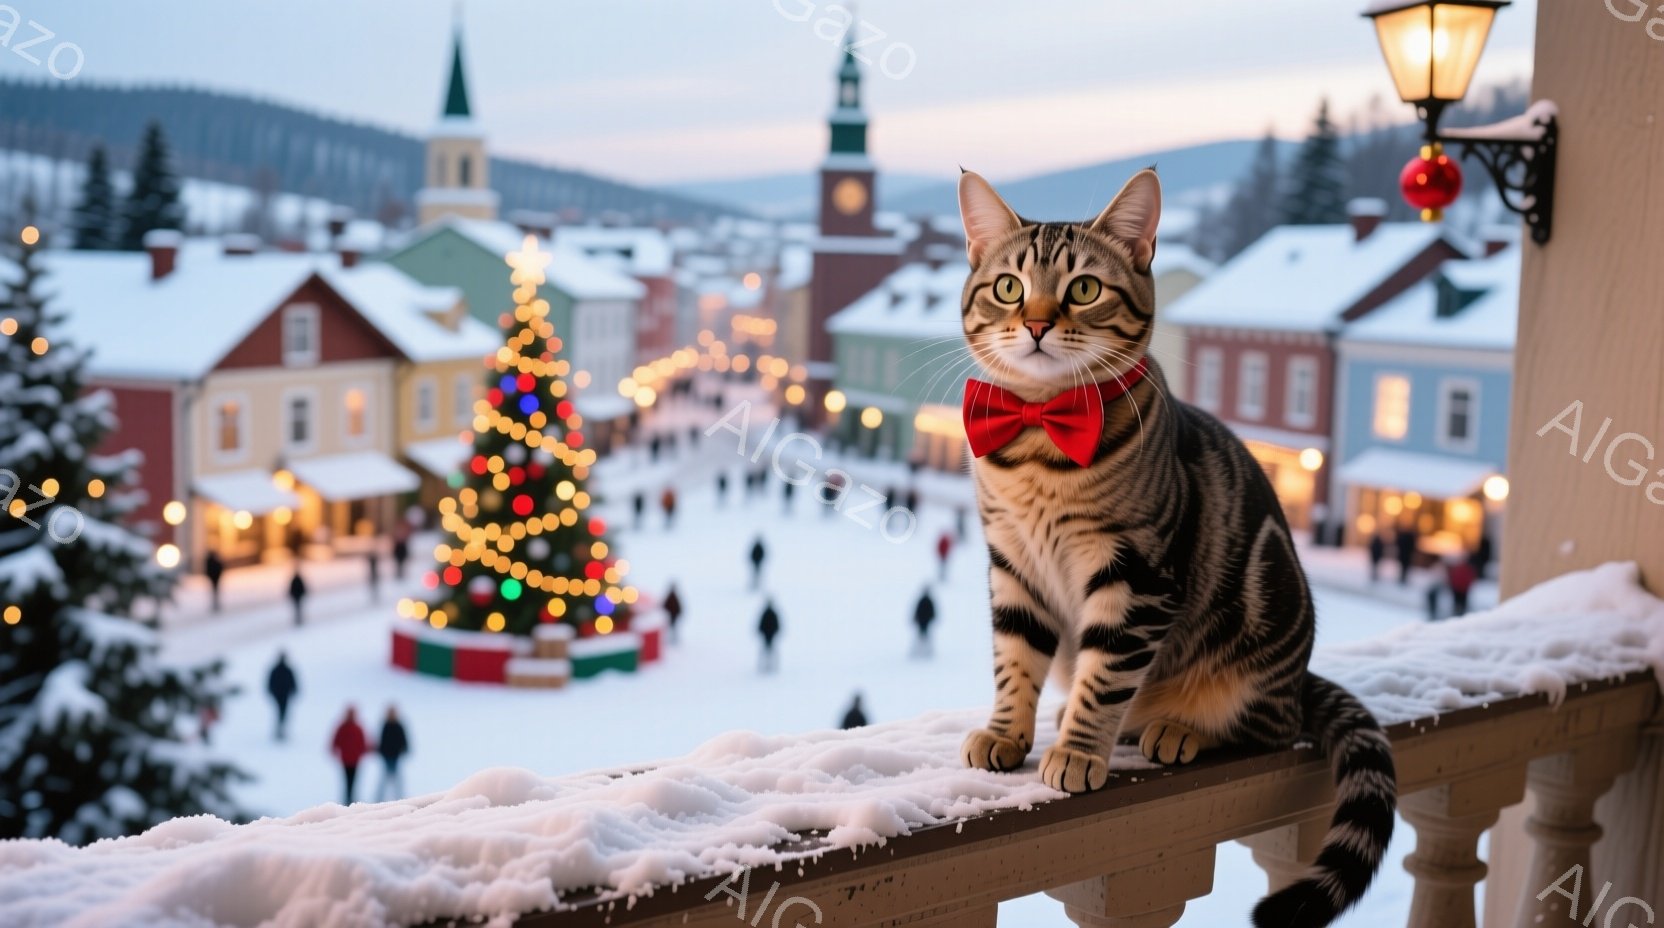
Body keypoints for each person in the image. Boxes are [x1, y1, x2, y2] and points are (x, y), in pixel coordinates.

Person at [330, 705, 370, 805]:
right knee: (348, 780)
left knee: (353, 780)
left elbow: (363, 742)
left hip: (355, 759)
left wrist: (364, 750)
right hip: (346, 759)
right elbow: (336, 741)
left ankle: (351, 798)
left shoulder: (357, 728)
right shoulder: (343, 727)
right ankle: (348, 798)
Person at [375, 705, 410, 802]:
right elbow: (382, 740)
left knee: (396, 778)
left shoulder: (398, 726)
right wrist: (381, 750)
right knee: (385, 777)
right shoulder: (386, 725)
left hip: (396, 756)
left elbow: (403, 739)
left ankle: (399, 797)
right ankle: (380, 798)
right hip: (387, 756)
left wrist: (404, 748)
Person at [267, 651, 298, 742]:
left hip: (284, 694)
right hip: (279, 694)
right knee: (281, 712)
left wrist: (294, 690)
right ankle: (280, 729)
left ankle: (281, 729)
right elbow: (270, 683)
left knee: (282, 712)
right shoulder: (278, 670)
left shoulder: (286, 670)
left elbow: (293, 682)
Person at [757, 599, 781, 673]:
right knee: (768, 650)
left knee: (769, 650)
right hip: (768, 635)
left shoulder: (769, 613)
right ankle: (767, 665)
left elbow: (776, 625)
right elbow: (761, 625)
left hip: (769, 635)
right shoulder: (769, 613)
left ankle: (770, 665)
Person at [912, 588, 937, 658]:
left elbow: (932, 611)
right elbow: (917, 611)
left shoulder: (927, 601)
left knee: (924, 636)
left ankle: (925, 651)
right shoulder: (925, 601)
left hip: (924, 621)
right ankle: (920, 650)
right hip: (922, 621)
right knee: (922, 636)